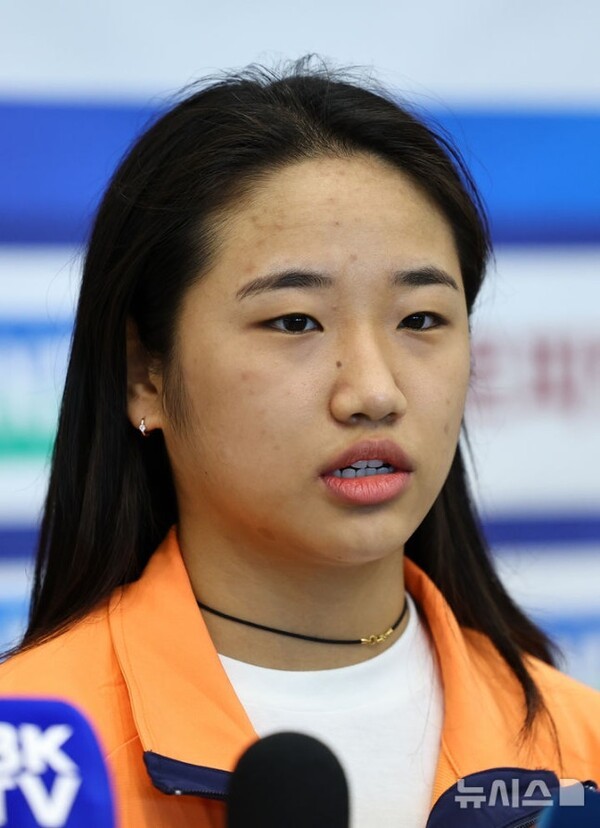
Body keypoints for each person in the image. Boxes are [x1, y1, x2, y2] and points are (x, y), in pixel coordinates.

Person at [1, 58, 599, 828]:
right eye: (294, 322)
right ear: (145, 374)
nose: (374, 392)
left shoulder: (578, 755)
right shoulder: (31, 767)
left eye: (421, 320)